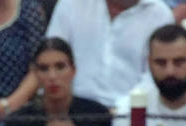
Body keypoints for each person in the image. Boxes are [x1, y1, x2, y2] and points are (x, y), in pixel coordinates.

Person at [0, 37, 116, 126]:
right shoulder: (19, 121)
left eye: (60, 67)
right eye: (44, 69)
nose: (52, 76)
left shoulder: (97, 116)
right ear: (35, 74)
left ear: (73, 70)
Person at [45, 0, 173, 108]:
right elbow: (50, 58)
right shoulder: (71, 4)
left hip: (130, 114)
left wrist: (123, 109)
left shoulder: (160, 15)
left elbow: (155, 78)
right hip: (74, 113)